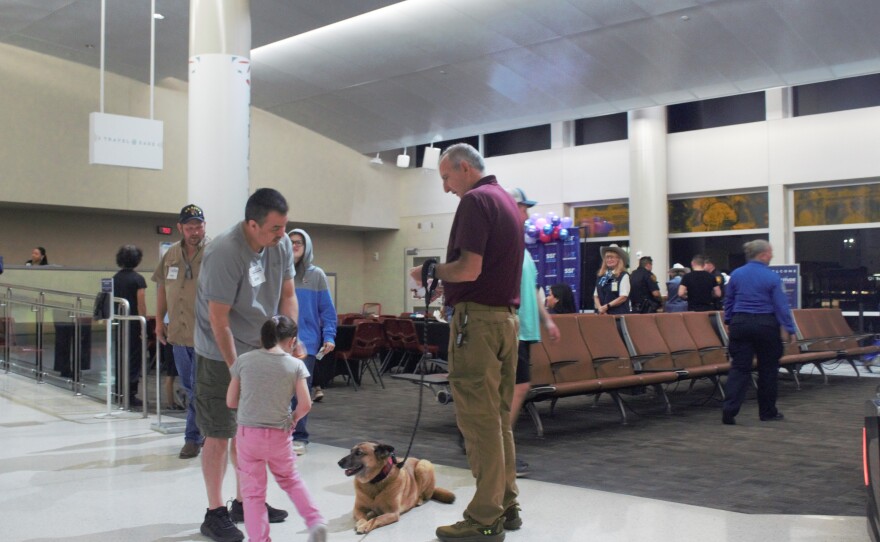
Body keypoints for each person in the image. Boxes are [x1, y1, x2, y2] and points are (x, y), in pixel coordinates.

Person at [408, 143, 522, 542]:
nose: (445, 187)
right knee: (498, 419)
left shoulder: (475, 201)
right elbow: (486, 270)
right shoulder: (506, 201)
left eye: (446, 177)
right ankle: (506, 504)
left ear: (464, 168)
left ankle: (485, 518)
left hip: (478, 324)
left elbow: (469, 268)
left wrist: (430, 272)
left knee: (478, 421)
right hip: (505, 321)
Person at [194, 188, 299, 542]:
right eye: (275, 228)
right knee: (219, 432)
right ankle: (214, 512)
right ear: (252, 224)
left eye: (284, 226)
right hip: (219, 352)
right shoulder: (224, 252)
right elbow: (218, 320)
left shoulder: (280, 246)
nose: (282, 235)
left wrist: (286, 344)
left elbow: (288, 296)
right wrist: (237, 370)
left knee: (253, 431)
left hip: (261, 348)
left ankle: (245, 502)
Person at [226, 316, 327, 542]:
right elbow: (305, 404)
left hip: (248, 436)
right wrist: (293, 419)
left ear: (262, 338)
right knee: (291, 480)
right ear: (292, 341)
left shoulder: (243, 361)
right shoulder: (295, 365)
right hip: (279, 434)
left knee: (252, 494)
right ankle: (315, 521)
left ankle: (259, 539)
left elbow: (231, 401)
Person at [506, 187, 560, 479]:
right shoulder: (503, 245)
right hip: (510, 330)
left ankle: (486, 439)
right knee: (515, 388)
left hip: (525, 331)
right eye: (523, 207)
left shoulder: (523, 249)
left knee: (514, 388)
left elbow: (534, 292)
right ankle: (499, 449)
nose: (527, 213)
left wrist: (547, 321)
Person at [152, 203, 207, 459]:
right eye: (189, 227)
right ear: (180, 228)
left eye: (198, 226)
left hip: (206, 335)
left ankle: (192, 438)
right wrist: (158, 322)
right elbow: (162, 288)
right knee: (189, 385)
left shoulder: (214, 252)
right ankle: (204, 430)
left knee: (198, 387)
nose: (194, 232)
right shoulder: (171, 254)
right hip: (178, 334)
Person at [721, 240, 796, 425]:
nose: (772, 256)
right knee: (768, 370)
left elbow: (729, 301)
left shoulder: (736, 274)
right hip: (766, 325)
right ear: (762, 255)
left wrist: (729, 320)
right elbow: (781, 306)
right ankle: (767, 412)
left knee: (739, 368)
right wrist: (789, 328)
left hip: (741, 323)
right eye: (770, 253)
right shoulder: (772, 277)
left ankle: (729, 410)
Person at [287, 228, 337, 455]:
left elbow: (327, 310)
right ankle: (280, 435)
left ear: (306, 246)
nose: (295, 245)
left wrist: (329, 336)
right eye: (291, 241)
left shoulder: (316, 275)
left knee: (300, 391)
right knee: (279, 392)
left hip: (306, 343)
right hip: (279, 342)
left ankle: (299, 436)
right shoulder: (278, 272)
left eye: (299, 242)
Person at [113, 244, 147, 408]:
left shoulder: (114, 278)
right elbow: (141, 304)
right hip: (133, 323)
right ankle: (130, 393)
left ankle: (119, 390)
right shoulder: (138, 279)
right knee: (133, 358)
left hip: (118, 321)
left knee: (120, 355)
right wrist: (143, 324)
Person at [593, 244, 630, 314]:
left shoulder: (623, 275)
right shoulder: (601, 276)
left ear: (618, 259)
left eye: (612, 257)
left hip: (617, 314)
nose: (609, 260)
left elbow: (623, 297)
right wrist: (600, 308)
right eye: (607, 257)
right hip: (602, 314)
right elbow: (596, 295)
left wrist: (607, 306)